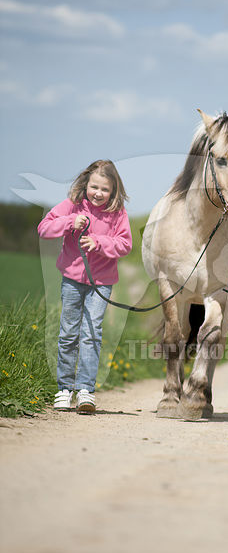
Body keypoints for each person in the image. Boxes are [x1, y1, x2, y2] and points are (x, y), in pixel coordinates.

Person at [38, 159, 132, 414]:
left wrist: (99, 242)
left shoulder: (118, 213)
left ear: (113, 191)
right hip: (71, 280)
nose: (99, 194)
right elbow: (44, 228)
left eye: (105, 190)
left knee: (92, 334)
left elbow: (125, 244)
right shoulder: (72, 206)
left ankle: (85, 391)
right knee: (68, 332)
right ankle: (64, 389)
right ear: (86, 184)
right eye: (95, 187)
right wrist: (70, 222)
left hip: (101, 284)